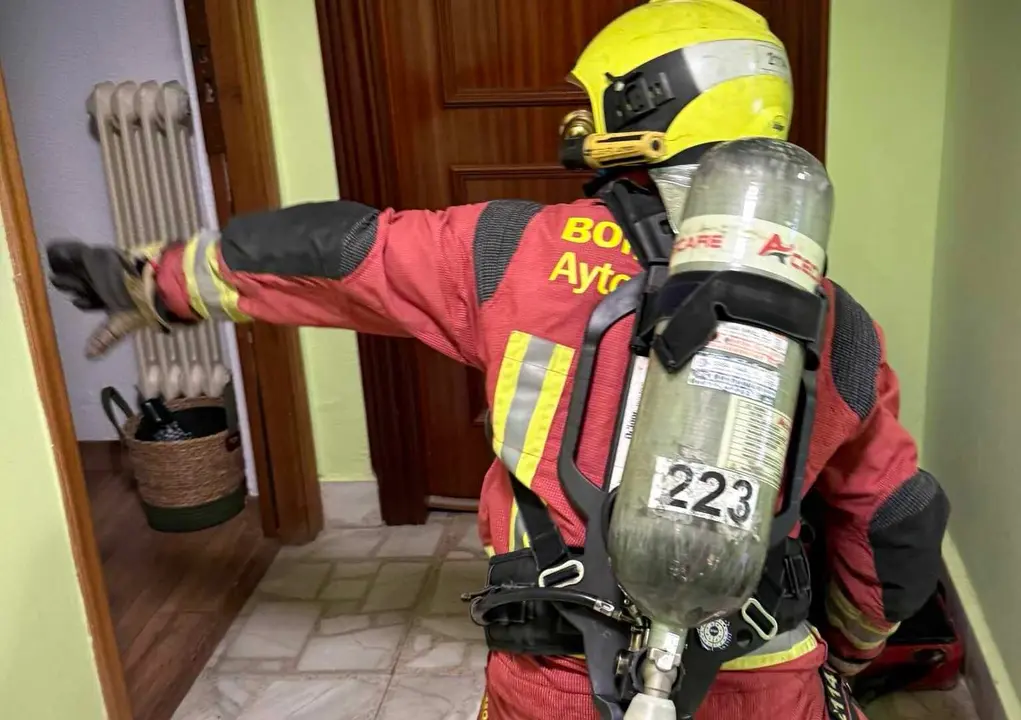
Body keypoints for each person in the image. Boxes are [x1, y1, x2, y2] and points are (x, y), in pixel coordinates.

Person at [47, 1, 949, 718]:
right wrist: (844, 647)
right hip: (762, 672)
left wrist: (158, 281)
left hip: (558, 675)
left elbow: (333, 253)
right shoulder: (837, 323)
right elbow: (898, 524)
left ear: (634, 109)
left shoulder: (506, 253)